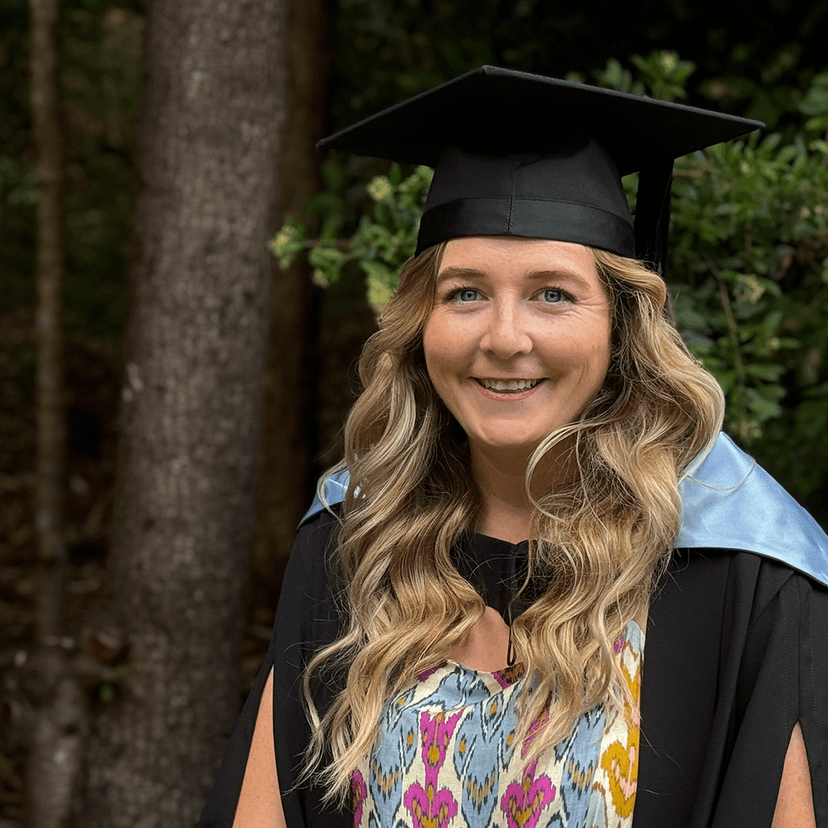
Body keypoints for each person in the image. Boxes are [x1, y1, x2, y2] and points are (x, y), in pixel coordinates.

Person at [199, 66, 828, 828]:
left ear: (622, 326)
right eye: (465, 292)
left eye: (552, 293)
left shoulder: (743, 566)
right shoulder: (353, 543)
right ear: (419, 321)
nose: (504, 338)